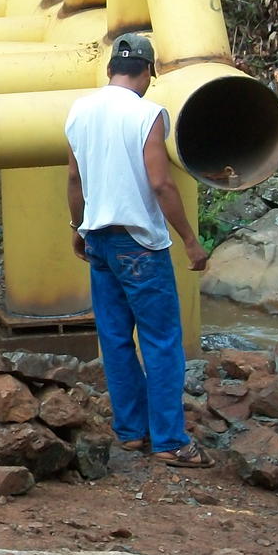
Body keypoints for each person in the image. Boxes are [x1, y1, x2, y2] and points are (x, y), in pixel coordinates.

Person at [65, 32, 213, 468]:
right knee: (161, 340)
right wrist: (189, 239)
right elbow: (161, 183)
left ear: (111, 67)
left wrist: (77, 226)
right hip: (139, 244)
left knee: (115, 338)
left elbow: (74, 179)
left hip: (99, 238)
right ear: (147, 70)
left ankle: (130, 432)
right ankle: (169, 440)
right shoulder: (148, 114)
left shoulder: (79, 111)